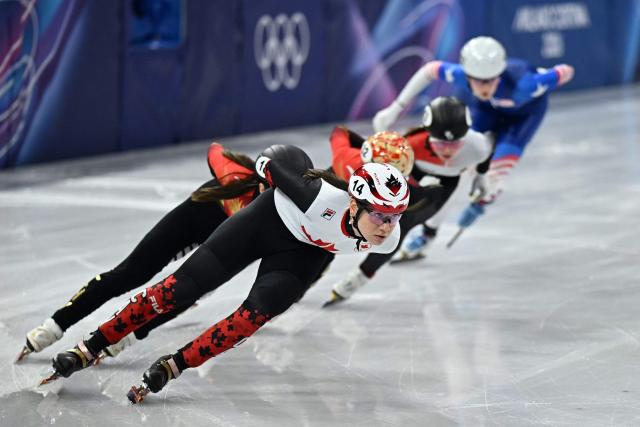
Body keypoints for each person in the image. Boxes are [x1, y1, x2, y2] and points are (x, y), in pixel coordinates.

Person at [46, 147, 411, 403]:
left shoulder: (387, 240)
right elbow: (271, 157)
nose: (386, 225)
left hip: (302, 253)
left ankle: (172, 366)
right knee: (176, 290)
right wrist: (266, 175)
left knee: (250, 318)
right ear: (353, 203)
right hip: (265, 222)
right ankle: (91, 346)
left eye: (394, 216)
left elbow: (337, 248)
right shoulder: (316, 196)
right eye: (379, 214)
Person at [16, 142, 272, 362]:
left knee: (185, 293)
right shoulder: (234, 175)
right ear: (259, 181)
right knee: (130, 274)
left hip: (220, 244)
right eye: (267, 189)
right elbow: (215, 149)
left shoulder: (270, 216)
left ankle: (125, 338)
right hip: (189, 221)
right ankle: (54, 325)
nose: (268, 196)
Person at [372, 36, 574, 255]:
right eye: (478, 81)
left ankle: (485, 197)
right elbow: (429, 70)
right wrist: (395, 108)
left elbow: (567, 70)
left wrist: (547, 73)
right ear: (467, 75)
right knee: (460, 169)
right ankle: (427, 234)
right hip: (486, 111)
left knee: (494, 178)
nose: (485, 86)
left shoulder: (527, 85)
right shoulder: (460, 75)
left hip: (524, 119)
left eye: (491, 80)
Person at [324, 96, 492, 304]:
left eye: (455, 144)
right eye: (440, 144)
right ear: (429, 134)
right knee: (390, 218)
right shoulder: (411, 144)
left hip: (442, 186)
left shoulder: (478, 145)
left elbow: (485, 156)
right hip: (413, 175)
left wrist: (482, 178)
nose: (447, 151)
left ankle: (360, 277)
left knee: (401, 227)